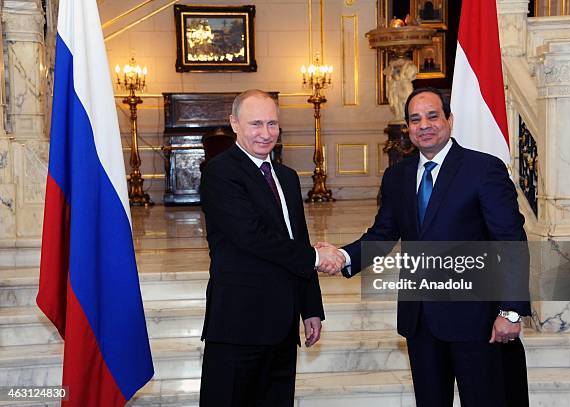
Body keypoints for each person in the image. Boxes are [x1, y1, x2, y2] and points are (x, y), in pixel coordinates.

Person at [318, 87, 530, 406]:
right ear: (408, 127)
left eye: (433, 116)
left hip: (477, 320)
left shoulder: (483, 170)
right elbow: (383, 234)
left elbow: (511, 240)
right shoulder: (397, 176)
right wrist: (343, 256)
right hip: (421, 322)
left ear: (449, 119)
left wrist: (511, 311)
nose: (424, 125)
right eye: (415, 119)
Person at [199, 89, 345, 406]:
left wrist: (311, 307)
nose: (266, 134)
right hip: (239, 324)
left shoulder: (287, 177)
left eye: (272, 124)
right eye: (256, 124)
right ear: (234, 123)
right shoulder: (220, 173)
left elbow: (296, 239)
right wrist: (319, 257)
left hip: (282, 323)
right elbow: (251, 237)